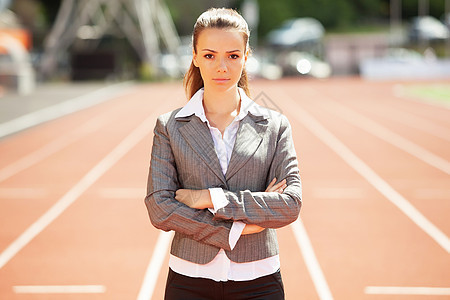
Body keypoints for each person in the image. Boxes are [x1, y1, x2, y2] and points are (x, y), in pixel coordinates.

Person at [145, 7, 302, 300]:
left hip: (260, 279)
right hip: (189, 279)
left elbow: (290, 204)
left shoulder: (275, 126)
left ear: (245, 57)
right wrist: (237, 230)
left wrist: (210, 198)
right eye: (209, 55)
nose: (221, 67)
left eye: (232, 56)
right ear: (194, 56)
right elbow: (160, 207)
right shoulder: (169, 127)